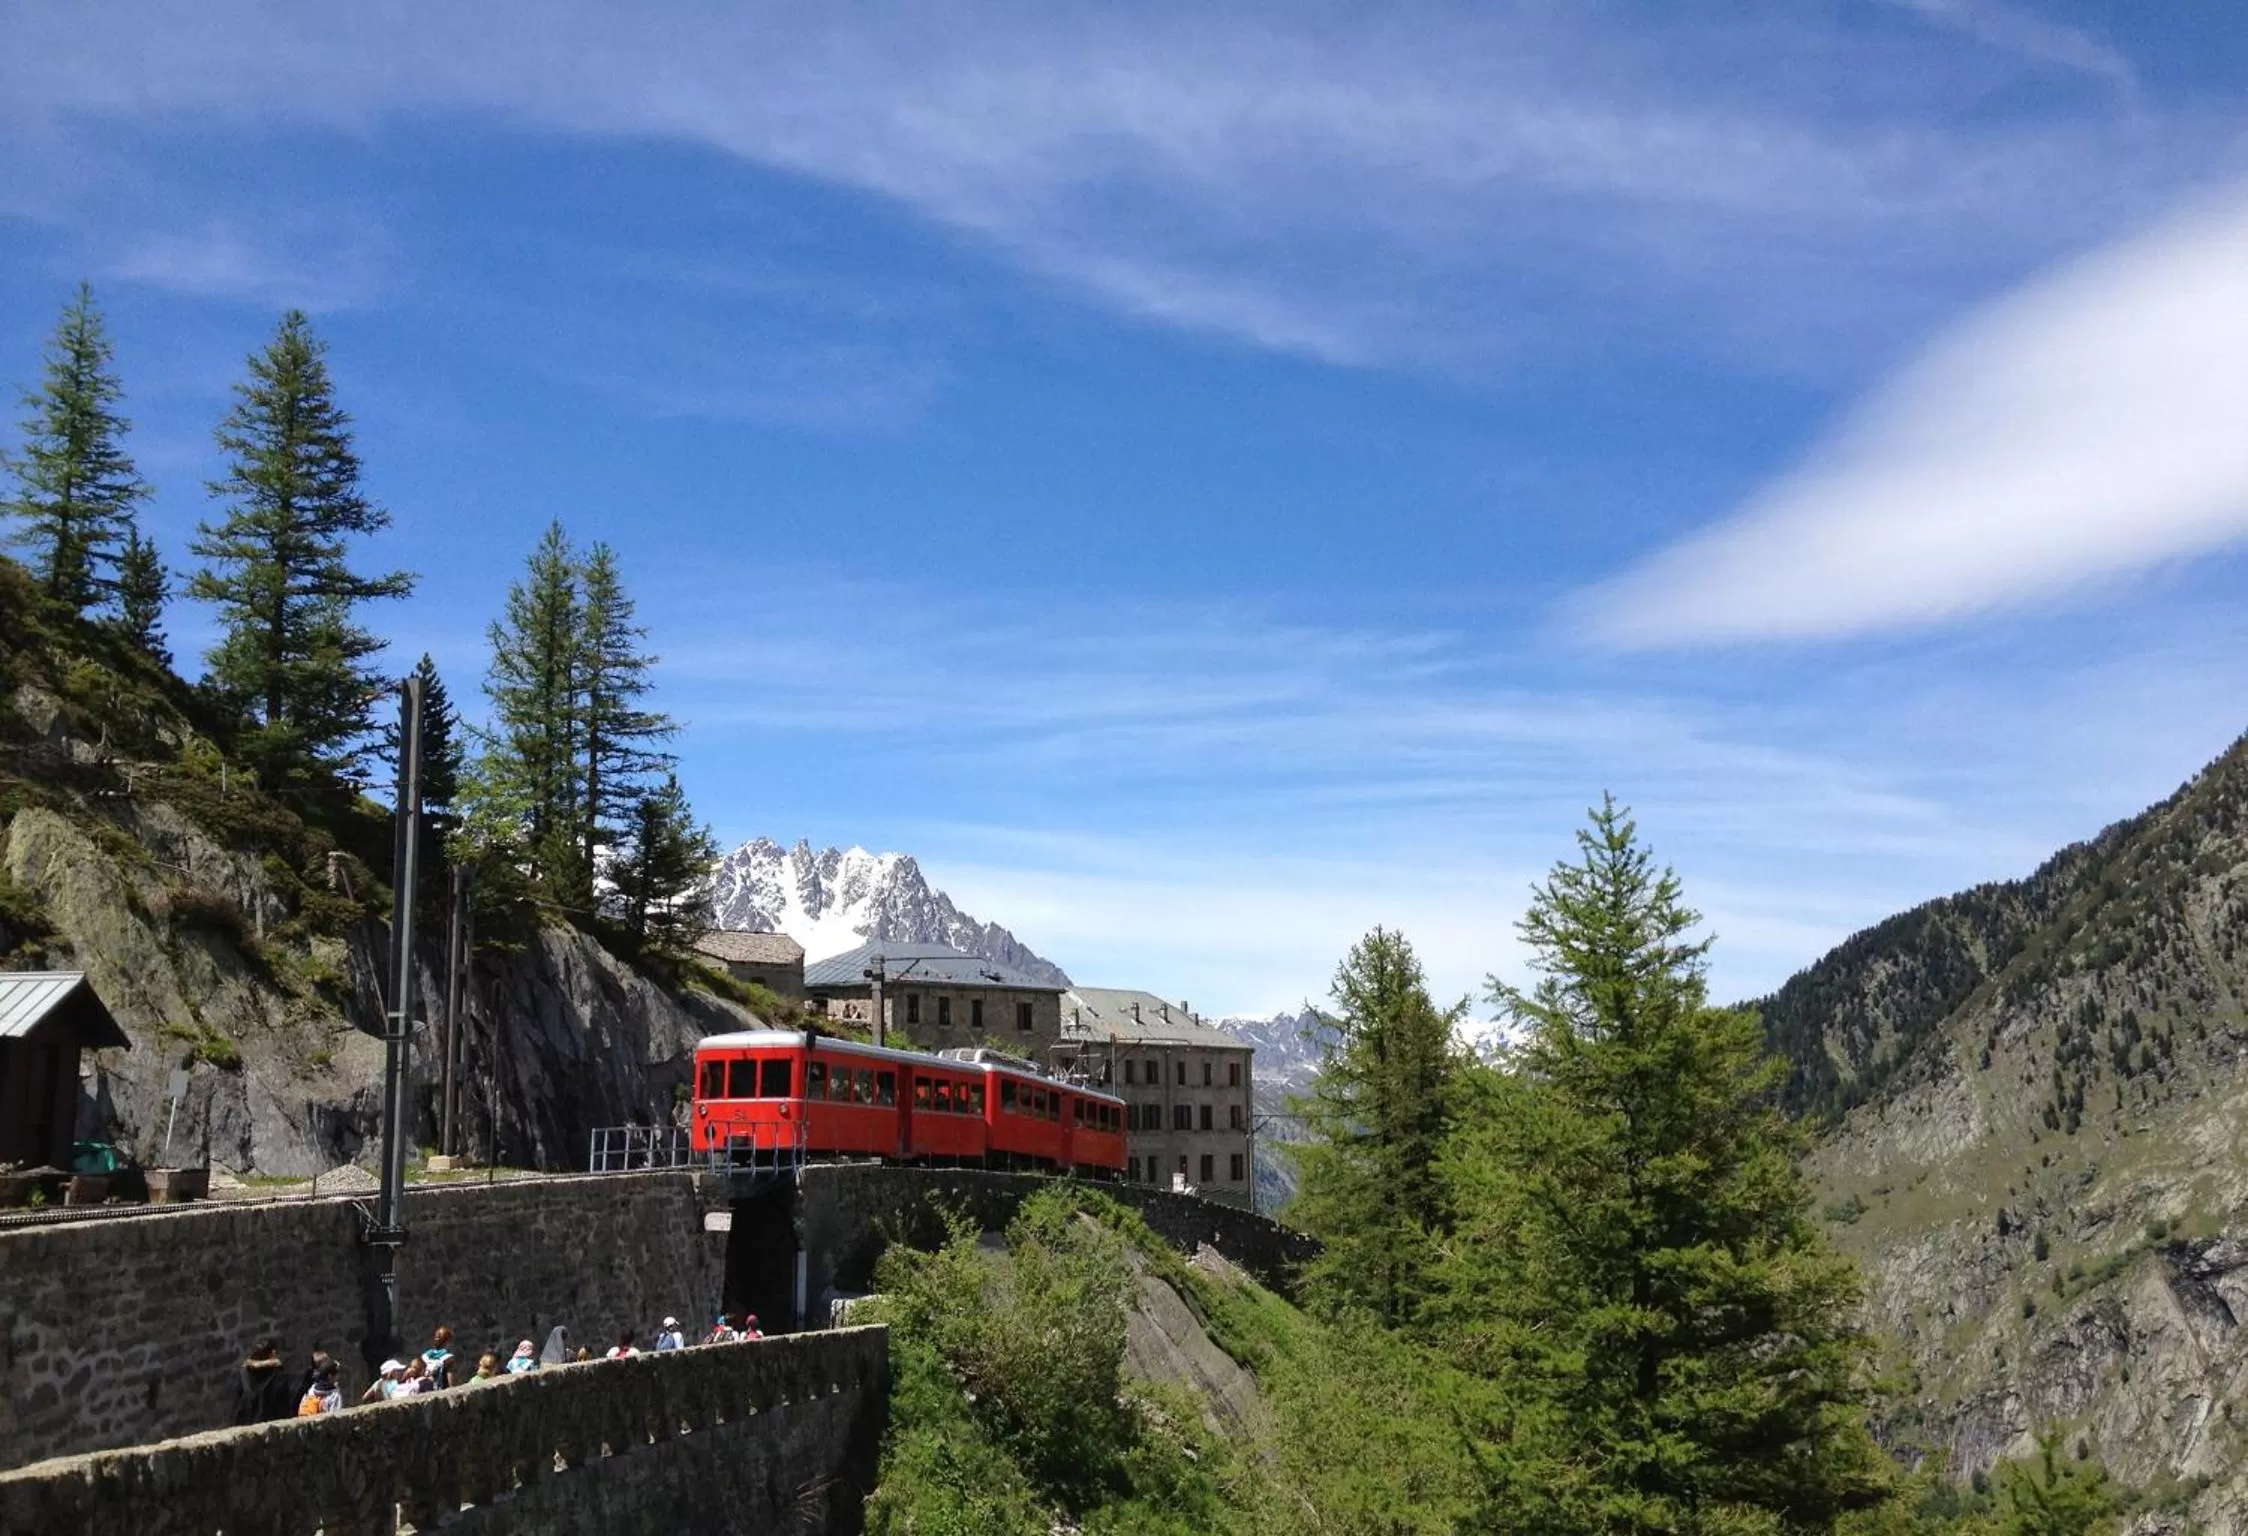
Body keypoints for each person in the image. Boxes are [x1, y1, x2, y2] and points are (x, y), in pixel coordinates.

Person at [232, 1339, 293, 1425]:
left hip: (245, 1424)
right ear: (272, 1353)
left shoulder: (244, 1374)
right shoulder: (277, 1375)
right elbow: (283, 1408)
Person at [421, 1326, 456, 1390]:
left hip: (424, 1388)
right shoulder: (448, 1357)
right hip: (438, 1389)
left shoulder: (425, 1356)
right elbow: (450, 1378)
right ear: (447, 1341)